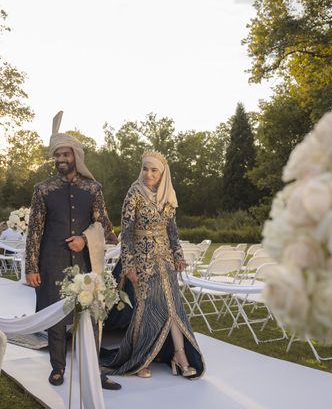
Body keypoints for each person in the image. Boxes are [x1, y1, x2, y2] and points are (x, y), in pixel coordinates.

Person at [25, 111, 119, 389]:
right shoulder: (43, 189)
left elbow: (103, 224)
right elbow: (35, 230)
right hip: (51, 260)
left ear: (76, 156)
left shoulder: (93, 188)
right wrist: (31, 266)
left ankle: (95, 371)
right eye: (57, 155)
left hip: (85, 262)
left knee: (90, 315)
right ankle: (58, 367)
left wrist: (85, 239)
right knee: (55, 316)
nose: (60, 160)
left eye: (65, 154)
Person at [105, 151, 204, 379]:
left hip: (165, 260)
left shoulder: (167, 195)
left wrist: (178, 255)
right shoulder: (134, 193)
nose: (148, 174)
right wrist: (129, 264)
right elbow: (127, 232)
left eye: (154, 170)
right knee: (143, 308)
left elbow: (172, 231)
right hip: (141, 260)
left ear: (162, 174)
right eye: (145, 169)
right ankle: (140, 360)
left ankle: (180, 356)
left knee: (173, 307)